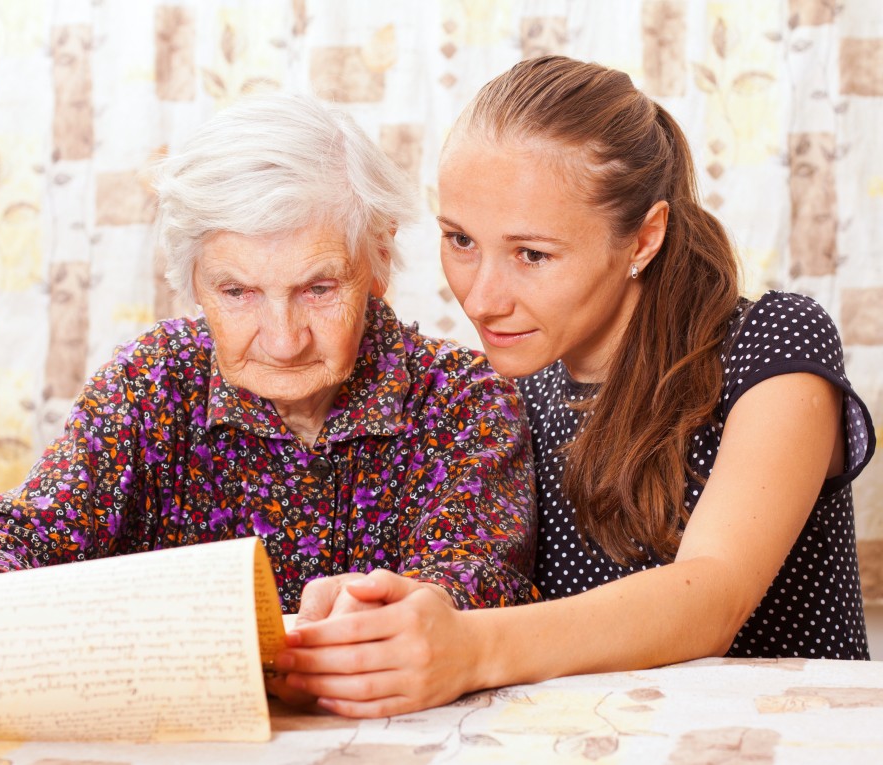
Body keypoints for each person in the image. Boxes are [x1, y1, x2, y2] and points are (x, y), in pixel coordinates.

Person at [275, 55, 877, 717]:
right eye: (460, 239)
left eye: (532, 254)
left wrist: (470, 647)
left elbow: (712, 594)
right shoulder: (503, 393)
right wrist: (376, 619)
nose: (480, 298)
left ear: (643, 239)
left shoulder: (775, 341)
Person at [0, 94, 538, 621]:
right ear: (193, 283)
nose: (284, 339)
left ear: (376, 262)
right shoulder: (149, 382)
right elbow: (27, 531)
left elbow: (478, 582)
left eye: (319, 289)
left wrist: (410, 609)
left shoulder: (463, 399)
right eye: (236, 293)